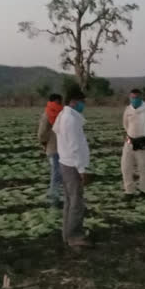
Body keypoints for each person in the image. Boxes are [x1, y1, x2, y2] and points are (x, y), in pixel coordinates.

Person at [52, 87, 90, 250]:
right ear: (74, 102)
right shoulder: (71, 119)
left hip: (65, 162)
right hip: (72, 165)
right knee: (76, 202)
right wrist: (82, 169)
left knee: (69, 200)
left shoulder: (63, 115)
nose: (83, 105)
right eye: (82, 102)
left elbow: (55, 131)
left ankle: (67, 234)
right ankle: (74, 236)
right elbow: (75, 146)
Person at [121, 88, 145, 197]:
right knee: (126, 167)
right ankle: (129, 191)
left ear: (141, 97)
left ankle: (144, 190)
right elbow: (125, 125)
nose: (134, 99)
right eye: (132, 97)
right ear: (130, 97)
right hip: (129, 142)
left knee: (143, 168)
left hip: (143, 143)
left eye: (136, 97)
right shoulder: (128, 109)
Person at [38, 93, 64, 207]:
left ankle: (53, 194)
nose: (59, 104)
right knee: (56, 173)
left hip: (58, 148)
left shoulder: (59, 114)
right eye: (59, 101)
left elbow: (42, 134)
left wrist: (44, 143)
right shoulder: (51, 115)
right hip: (55, 148)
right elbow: (42, 133)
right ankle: (54, 197)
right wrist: (44, 142)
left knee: (57, 173)